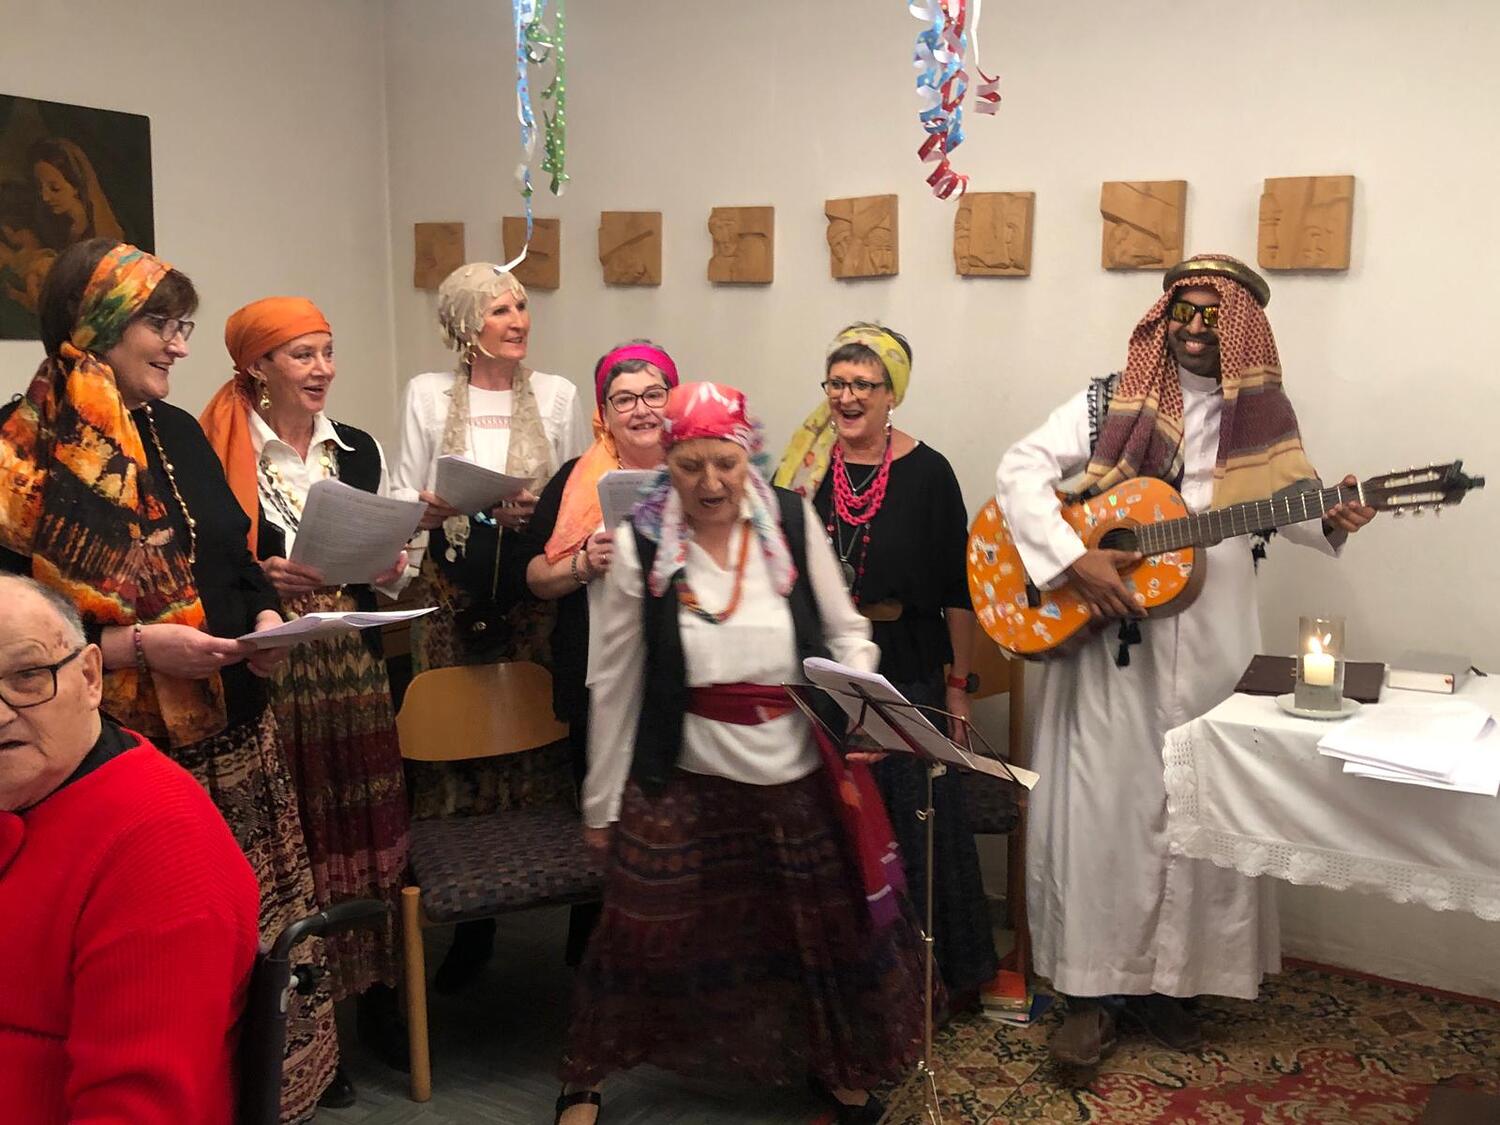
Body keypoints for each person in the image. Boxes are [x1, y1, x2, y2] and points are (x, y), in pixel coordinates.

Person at [994, 253, 1375, 1066]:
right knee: (1104, 817)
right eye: (1183, 312)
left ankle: (1176, 987)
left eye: (1213, 315)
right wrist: (1072, 558)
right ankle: (1090, 995)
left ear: (1242, 327)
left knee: (1202, 809)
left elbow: (1294, 506)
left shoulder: (1261, 422)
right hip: (1110, 647)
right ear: (1161, 317)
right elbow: (1018, 469)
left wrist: (1334, 514)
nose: (1195, 329)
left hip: (1212, 648)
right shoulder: (1108, 402)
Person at [0, 239, 340, 1121]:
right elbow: (15, 633)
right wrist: (141, 647)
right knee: (142, 997)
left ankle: (274, 1093)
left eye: (183, 325)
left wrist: (267, 623)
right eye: (162, 324)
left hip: (238, 735)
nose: (181, 345)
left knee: (253, 959)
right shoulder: (18, 453)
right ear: (97, 323)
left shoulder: (179, 431)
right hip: (111, 764)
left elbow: (235, 560)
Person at [558, 382, 928, 1125]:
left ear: (748, 457)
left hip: (793, 768)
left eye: (724, 463)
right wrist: (601, 805)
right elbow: (616, 680)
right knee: (638, 927)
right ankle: (585, 1078)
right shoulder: (642, 542)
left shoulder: (788, 519)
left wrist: (861, 704)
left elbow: (847, 630)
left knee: (810, 928)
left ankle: (835, 1065)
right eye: (690, 466)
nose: (710, 483)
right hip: (683, 769)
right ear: (668, 463)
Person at [200, 297, 414, 1074]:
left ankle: (381, 1003)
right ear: (258, 366)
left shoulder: (355, 447)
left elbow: (393, 571)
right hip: (277, 667)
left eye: (327, 351)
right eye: (303, 354)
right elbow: (209, 564)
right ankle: (314, 1031)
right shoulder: (218, 450)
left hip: (352, 664)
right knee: (302, 844)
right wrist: (263, 576)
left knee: (370, 831)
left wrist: (391, 563)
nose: (323, 368)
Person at [776, 322, 1000, 1005]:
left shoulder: (929, 473)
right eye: (837, 382)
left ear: (891, 393)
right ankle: (849, 982)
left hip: (908, 663)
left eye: (864, 385)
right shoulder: (805, 469)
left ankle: (934, 982)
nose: (847, 397)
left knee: (916, 820)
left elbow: (959, 589)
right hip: (823, 666)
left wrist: (957, 688)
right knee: (835, 822)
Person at [391, 261, 589, 986]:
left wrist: (538, 510)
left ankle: (556, 897)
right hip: (451, 592)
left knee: (539, 737)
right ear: (466, 324)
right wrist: (435, 506)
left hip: (534, 595)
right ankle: (470, 929)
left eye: (522, 307)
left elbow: (577, 495)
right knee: (456, 748)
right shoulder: (427, 394)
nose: (518, 321)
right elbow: (402, 496)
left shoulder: (559, 395)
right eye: (501, 310)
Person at [0, 575, 260, 1125]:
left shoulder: (161, 852)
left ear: (90, 677)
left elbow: (140, 1110)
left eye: (27, 677)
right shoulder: (29, 786)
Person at [520, 339, 679, 964]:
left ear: (673, 400)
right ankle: (599, 962)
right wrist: (584, 564)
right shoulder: (573, 480)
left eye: (654, 394)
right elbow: (535, 577)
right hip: (599, 677)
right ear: (604, 413)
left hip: (683, 675)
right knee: (608, 822)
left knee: (675, 822)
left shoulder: (703, 469)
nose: (641, 409)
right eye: (623, 399)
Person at [28, 138, 124, 249]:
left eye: (55, 188)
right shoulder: (50, 225)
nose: (45, 197)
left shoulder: (102, 230)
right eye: (39, 188)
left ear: (77, 185)